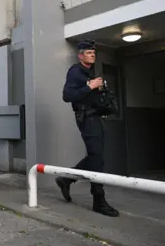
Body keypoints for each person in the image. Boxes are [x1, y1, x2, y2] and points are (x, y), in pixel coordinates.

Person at [55, 39, 120, 217]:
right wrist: (89, 86)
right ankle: (99, 201)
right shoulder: (75, 71)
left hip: (96, 119)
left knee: (95, 157)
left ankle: (65, 180)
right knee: (96, 158)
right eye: (89, 52)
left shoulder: (89, 73)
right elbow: (67, 95)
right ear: (80, 55)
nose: (92, 54)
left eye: (93, 52)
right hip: (87, 119)